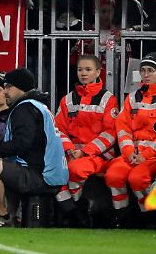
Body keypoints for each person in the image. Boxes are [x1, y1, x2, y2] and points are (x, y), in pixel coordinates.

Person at [0, 67, 67, 227]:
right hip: (47, 174)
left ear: (21, 87)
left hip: (41, 177)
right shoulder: (36, 106)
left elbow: (21, 144)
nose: (5, 92)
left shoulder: (25, 108)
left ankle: (1, 216)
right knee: (5, 165)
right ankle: (11, 218)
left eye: (8, 87)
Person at [104, 53, 156, 223]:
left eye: (150, 71)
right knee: (113, 175)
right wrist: (129, 152)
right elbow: (123, 129)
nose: (145, 74)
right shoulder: (132, 98)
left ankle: (149, 215)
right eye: (143, 70)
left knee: (137, 178)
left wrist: (144, 156)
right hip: (131, 155)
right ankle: (122, 216)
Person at [54, 54, 118, 222]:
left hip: (98, 155)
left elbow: (111, 133)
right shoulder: (67, 99)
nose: (83, 73)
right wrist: (70, 149)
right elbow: (58, 130)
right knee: (52, 171)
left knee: (74, 170)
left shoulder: (108, 99)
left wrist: (85, 152)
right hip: (72, 154)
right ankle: (74, 212)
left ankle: (76, 213)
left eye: (88, 70)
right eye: (80, 69)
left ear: (98, 72)